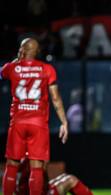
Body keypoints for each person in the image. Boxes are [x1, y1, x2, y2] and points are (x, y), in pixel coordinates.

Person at [0, 38, 68, 195]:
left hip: (17, 122)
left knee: (11, 166)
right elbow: (55, 97)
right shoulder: (47, 69)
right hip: (38, 123)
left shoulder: (12, 67)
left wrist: (18, 59)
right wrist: (64, 122)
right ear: (38, 52)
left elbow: (0, 74)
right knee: (37, 168)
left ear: (22, 50)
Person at [15, 158, 93, 195]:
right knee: (71, 180)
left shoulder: (22, 160)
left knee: (65, 176)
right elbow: (42, 185)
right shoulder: (35, 160)